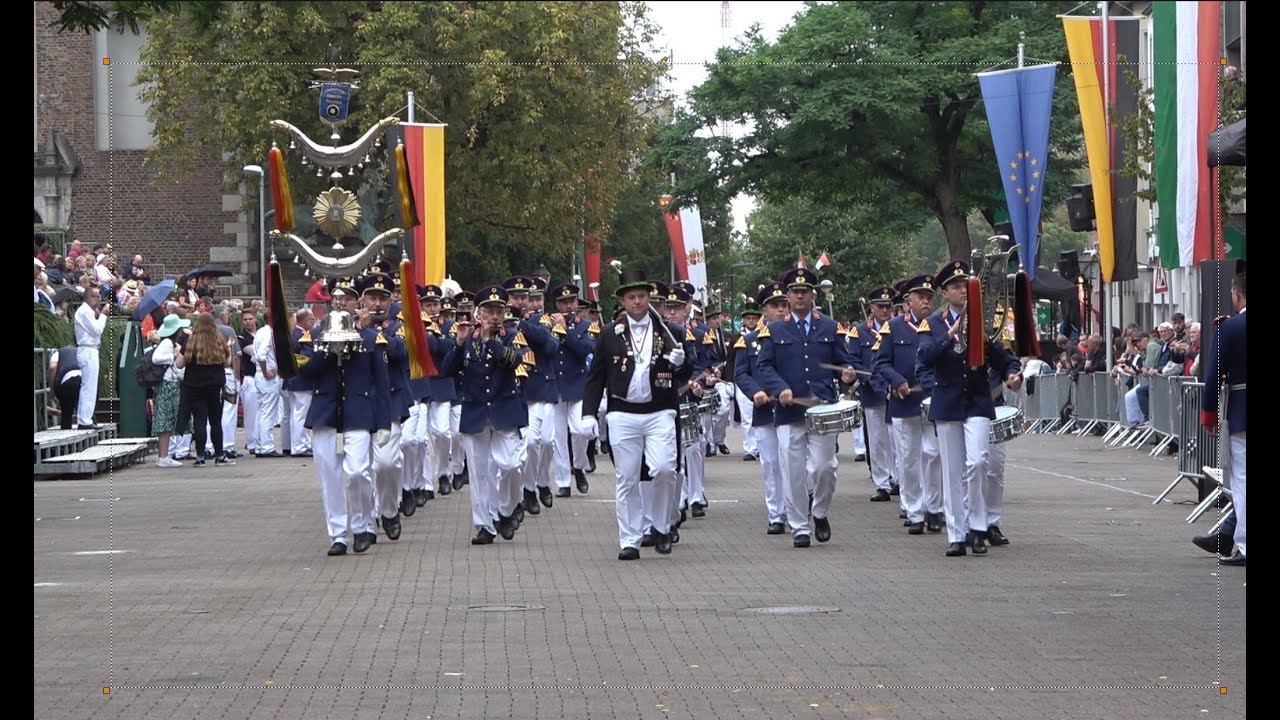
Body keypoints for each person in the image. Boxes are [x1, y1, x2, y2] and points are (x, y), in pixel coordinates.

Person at [582, 269, 692, 560]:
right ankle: (629, 538)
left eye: (642, 296)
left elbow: (688, 371)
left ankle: (662, 525)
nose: (637, 302)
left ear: (649, 298)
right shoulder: (609, 334)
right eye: (631, 297)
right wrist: (588, 413)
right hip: (623, 412)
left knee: (665, 469)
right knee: (627, 477)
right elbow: (596, 376)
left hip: (660, 410)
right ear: (622, 301)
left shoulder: (670, 332)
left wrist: (681, 362)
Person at [916, 260, 1022, 557]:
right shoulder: (933, 323)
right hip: (948, 402)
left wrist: (1012, 374)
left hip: (977, 400)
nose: (962, 291)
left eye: (965, 286)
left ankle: (978, 526)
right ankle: (956, 533)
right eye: (956, 287)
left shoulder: (982, 323)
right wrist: (950, 333)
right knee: (952, 471)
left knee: (977, 462)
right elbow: (925, 356)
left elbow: (1003, 357)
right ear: (945, 293)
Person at [755, 267, 860, 547]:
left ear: (813, 295)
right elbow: (764, 366)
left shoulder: (828, 325)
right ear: (788, 295)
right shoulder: (775, 329)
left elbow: (842, 359)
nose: (800, 296)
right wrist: (779, 389)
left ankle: (820, 511)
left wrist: (847, 371)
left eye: (805, 291)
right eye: (795, 292)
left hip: (822, 408)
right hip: (789, 410)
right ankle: (799, 526)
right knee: (792, 470)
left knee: (825, 467)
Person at [299, 274, 393, 556]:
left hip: (359, 411)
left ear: (358, 303)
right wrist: (329, 349)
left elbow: (381, 380)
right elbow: (306, 371)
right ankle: (338, 534)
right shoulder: (315, 335)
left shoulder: (369, 336)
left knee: (357, 473)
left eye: (348, 299)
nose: (342, 303)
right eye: (337, 299)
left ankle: (363, 525)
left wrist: (384, 421)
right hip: (326, 412)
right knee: (330, 477)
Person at [448, 285, 534, 546]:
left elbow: (514, 362)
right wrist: (459, 344)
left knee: (509, 465)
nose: (494, 317)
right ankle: (484, 524)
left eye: (499, 311)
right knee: (478, 472)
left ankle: (507, 509)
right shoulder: (467, 338)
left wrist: (489, 342)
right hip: (475, 413)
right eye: (489, 312)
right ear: (478, 313)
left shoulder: (512, 336)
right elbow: (447, 369)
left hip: (504, 411)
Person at [733, 287, 788, 533]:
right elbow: (741, 373)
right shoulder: (749, 340)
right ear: (764, 310)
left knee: (799, 463)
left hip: (793, 411)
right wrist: (755, 391)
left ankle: (798, 505)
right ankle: (777, 514)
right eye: (774, 305)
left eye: (783, 305)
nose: (780, 309)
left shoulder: (795, 338)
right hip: (765, 410)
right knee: (771, 464)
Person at [1201, 273, 1246, 567]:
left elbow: (1214, 374)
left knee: (1242, 483)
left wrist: (1209, 413)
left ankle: (1244, 544)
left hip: (1243, 412)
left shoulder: (1230, 327)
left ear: (1237, 295)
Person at [550, 282, 601, 498]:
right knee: (558, 438)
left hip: (579, 385)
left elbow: (585, 350)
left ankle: (578, 466)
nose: (568, 305)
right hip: (555, 386)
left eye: (571, 301)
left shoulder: (587, 326)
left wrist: (564, 330)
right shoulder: (547, 324)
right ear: (557, 305)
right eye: (563, 302)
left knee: (582, 430)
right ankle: (563, 481)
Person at [848, 286, 898, 502]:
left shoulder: (898, 328)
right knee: (877, 439)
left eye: (888, 306)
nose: (885, 310)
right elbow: (855, 361)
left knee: (898, 439)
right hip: (873, 391)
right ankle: (882, 483)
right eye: (881, 306)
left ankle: (898, 478)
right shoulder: (859, 331)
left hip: (896, 391)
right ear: (871, 308)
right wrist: (875, 382)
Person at [176, 314, 235, 466]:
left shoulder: (190, 343)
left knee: (199, 421)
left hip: (194, 387)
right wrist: (229, 348)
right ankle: (220, 455)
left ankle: (200, 456)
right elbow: (227, 364)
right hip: (215, 387)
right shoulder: (219, 342)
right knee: (216, 422)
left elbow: (179, 365)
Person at [150, 314, 192, 467]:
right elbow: (156, 358)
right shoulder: (167, 343)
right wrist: (172, 355)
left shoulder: (169, 342)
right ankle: (163, 456)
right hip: (168, 384)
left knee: (167, 421)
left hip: (169, 384)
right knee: (165, 420)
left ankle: (164, 455)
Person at [73, 286, 110, 429]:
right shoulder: (84, 312)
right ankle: (84, 420)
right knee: (88, 386)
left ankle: (86, 418)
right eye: (96, 296)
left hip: (92, 350)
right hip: (87, 350)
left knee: (90, 385)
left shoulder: (88, 312)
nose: (99, 299)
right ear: (89, 297)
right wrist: (104, 315)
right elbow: (97, 330)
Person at [47, 345, 83, 430]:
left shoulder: (58, 352)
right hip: (83, 380)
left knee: (66, 414)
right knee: (85, 413)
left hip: (66, 381)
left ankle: (66, 434)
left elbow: (52, 367)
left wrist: (53, 388)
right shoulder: (82, 352)